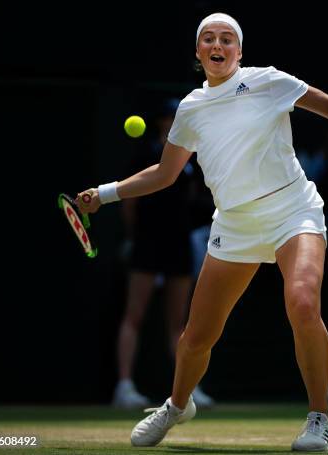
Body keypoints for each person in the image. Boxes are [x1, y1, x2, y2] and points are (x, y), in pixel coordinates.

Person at [77, 12, 328, 451]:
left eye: (227, 39)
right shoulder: (191, 109)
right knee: (197, 336)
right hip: (234, 224)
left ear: (239, 50)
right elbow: (164, 173)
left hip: (294, 210)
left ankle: (320, 419)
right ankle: (177, 406)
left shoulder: (268, 81)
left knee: (303, 302)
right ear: (199, 53)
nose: (218, 45)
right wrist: (104, 194)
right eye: (209, 39)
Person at [113, 98, 215, 410]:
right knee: (134, 315)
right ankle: (125, 386)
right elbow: (130, 201)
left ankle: (188, 389)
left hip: (178, 245)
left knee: (179, 323)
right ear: (162, 121)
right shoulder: (145, 154)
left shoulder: (192, 159)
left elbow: (197, 198)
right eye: (172, 117)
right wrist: (133, 237)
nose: (176, 122)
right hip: (147, 243)